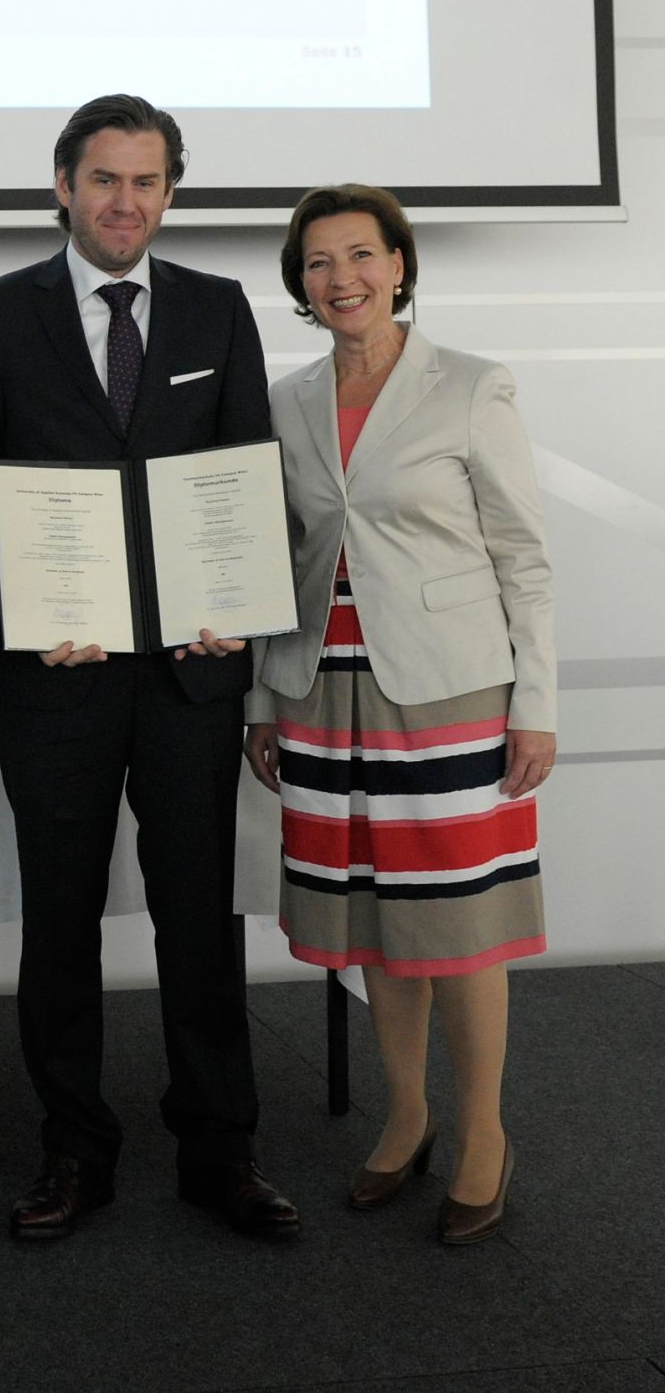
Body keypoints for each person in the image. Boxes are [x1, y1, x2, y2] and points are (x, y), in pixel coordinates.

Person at [0, 94, 299, 1240]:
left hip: (188, 678)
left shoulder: (213, 309)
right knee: (59, 924)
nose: (123, 202)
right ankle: (72, 1152)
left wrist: (232, 607)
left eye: (146, 182)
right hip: (54, 676)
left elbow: (241, 475)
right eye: (104, 179)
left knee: (197, 920)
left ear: (168, 194)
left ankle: (218, 1151)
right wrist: (37, 603)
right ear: (61, 185)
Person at [244, 184, 553, 1244]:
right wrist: (258, 698)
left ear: (399, 265)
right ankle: (407, 1112)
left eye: (360, 255)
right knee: (375, 913)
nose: (341, 279)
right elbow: (271, 561)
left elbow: (520, 554)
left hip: (449, 692)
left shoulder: (469, 387)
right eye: (318, 262)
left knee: (457, 924)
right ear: (298, 284)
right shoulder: (283, 401)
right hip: (318, 691)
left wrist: (538, 707)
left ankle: (480, 1131)